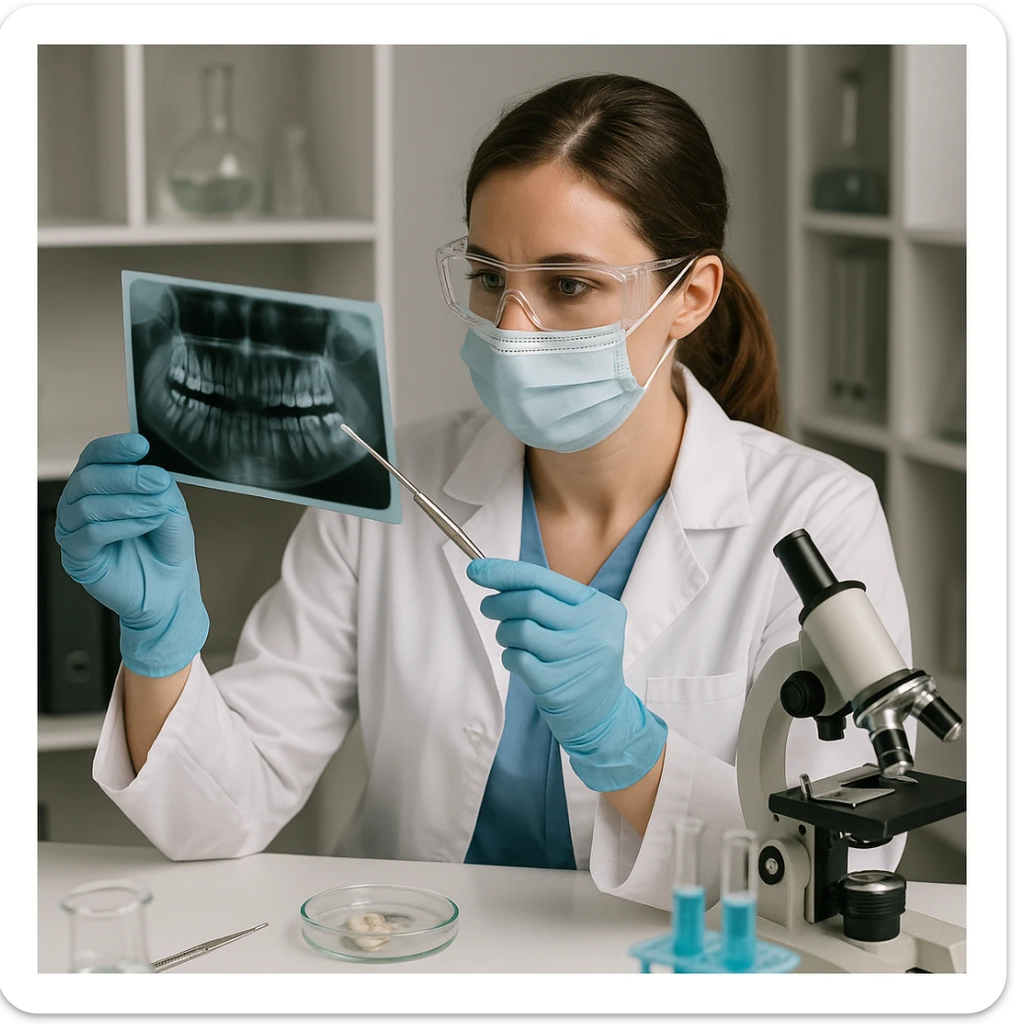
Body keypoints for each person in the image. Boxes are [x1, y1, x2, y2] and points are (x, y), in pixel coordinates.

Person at [55, 74, 912, 910]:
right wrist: (158, 643)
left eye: (568, 285)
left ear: (690, 295)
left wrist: (627, 744)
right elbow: (220, 815)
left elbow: (836, 872)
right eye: (489, 275)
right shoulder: (390, 482)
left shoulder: (815, 518)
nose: (510, 325)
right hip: (404, 956)